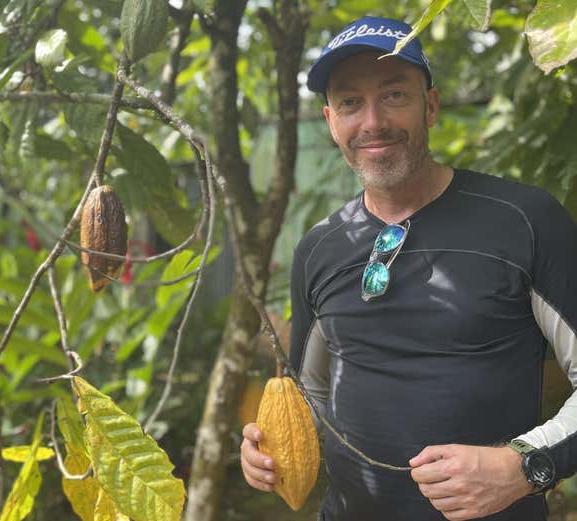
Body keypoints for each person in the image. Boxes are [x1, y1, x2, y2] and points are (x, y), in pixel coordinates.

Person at [239, 15, 577, 521]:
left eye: (394, 94)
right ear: (332, 122)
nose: (373, 122)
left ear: (431, 106)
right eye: (351, 102)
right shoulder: (320, 248)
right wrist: (268, 446)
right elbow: (310, 393)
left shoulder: (524, 221)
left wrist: (524, 466)